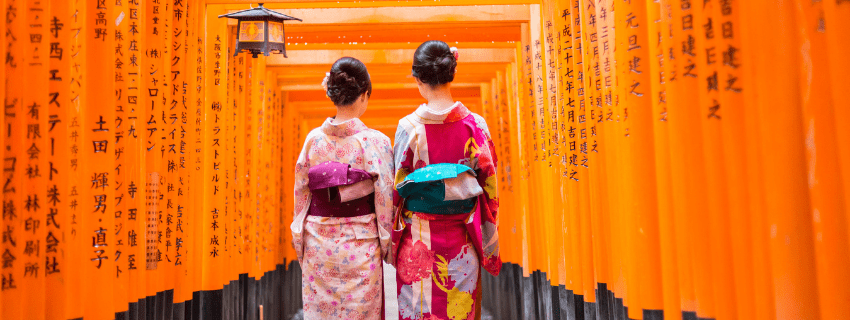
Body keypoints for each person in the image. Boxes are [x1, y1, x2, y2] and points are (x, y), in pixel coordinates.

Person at [391, 40, 501, 320]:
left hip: (417, 242)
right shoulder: (475, 125)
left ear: (418, 78)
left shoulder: (408, 128)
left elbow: (396, 191)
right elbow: (490, 189)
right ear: (452, 72)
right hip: (461, 241)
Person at [291, 57, 394, 319]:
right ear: (365, 94)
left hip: (318, 242)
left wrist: (300, 239)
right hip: (361, 245)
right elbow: (384, 199)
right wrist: (386, 244)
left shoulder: (312, 140)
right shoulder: (376, 142)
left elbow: (301, 193)